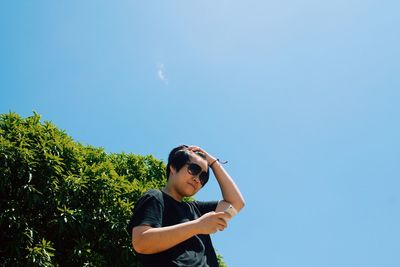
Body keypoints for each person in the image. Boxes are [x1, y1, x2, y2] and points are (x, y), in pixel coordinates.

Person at [127, 145, 245, 267]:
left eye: (203, 177)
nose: (198, 179)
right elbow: (141, 242)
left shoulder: (196, 209)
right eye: (194, 169)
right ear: (173, 168)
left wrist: (213, 162)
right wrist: (198, 226)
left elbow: (236, 203)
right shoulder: (155, 197)